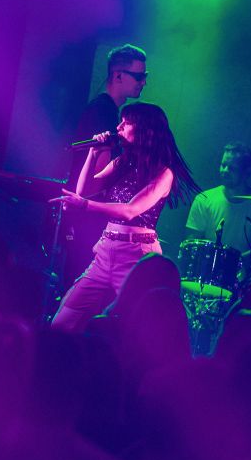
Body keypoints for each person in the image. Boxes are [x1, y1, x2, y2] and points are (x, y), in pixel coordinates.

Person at [49, 102, 199, 333]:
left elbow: (130, 210)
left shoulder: (163, 173)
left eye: (126, 123)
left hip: (135, 255)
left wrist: (85, 206)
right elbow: (84, 190)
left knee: (136, 327)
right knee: (62, 322)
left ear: (146, 131)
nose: (118, 127)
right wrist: (94, 153)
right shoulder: (121, 162)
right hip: (105, 251)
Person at [62, 44, 149, 289]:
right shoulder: (103, 113)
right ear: (118, 75)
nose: (144, 82)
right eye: (139, 76)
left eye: (145, 76)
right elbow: (99, 178)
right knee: (80, 285)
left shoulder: (108, 111)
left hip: (88, 213)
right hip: (87, 218)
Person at [183, 141, 251, 254]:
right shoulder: (204, 199)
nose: (225, 170)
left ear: (247, 171)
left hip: (245, 265)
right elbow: (191, 244)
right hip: (209, 263)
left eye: (232, 168)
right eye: (223, 165)